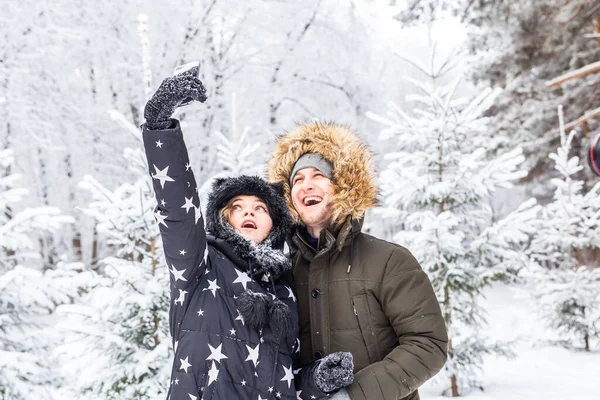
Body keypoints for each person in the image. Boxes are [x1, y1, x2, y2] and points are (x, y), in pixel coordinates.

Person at [142, 68, 354, 399]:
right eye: (237, 207)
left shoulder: (284, 293)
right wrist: (159, 129)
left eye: (260, 208)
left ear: (275, 225)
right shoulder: (199, 267)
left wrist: (315, 381)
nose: (249, 213)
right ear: (222, 218)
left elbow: (286, 379)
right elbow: (179, 214)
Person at [267, 122, 449, 400]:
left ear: (343, 186)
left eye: (318, 175)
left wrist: (354, 395)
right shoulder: (281, 272)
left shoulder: (389, 260)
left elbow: (428, 344)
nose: (307, 185)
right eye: (297, 180)